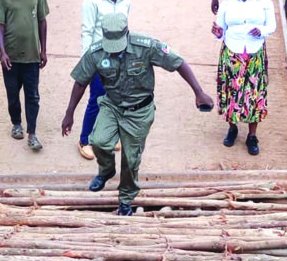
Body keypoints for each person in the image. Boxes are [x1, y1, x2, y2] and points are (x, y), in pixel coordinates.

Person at [62, 14, 214, 215]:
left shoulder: (146, 46)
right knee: (98, 141)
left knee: (131, 159)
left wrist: (199, 92)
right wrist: (69, 113)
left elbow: (178, 63)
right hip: (112, 105)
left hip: (139, 111)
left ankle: (125, 198)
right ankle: (106, 170)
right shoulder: (96, 52)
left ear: (127, 33)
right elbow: (80, 82)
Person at [212, 0, 276, 156]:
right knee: (232, 91)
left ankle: (252, 136)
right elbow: (220, 29)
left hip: (254, 54)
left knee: (254, 94)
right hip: (232, 52)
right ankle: (232, 128)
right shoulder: (228, 2)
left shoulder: (263, 1)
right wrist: (217, 32)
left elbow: (272, 25)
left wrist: (261, 30)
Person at [0, 0, 49, 151]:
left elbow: (42, 21)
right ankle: (16, 123)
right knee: (13, 93)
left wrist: (43, 49)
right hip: (11, 56)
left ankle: (32, 134)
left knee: (32, 96)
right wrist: (2, 53)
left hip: (31, 55)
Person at [77, 0, 132, 160]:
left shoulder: (126, 1)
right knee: (97, 100)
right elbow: (87, 32)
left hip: (119, 58)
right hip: (99, 59)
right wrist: (87, 64)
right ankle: (84, 140)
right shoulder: (92, 1)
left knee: (116, 100)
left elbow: (125, 29)